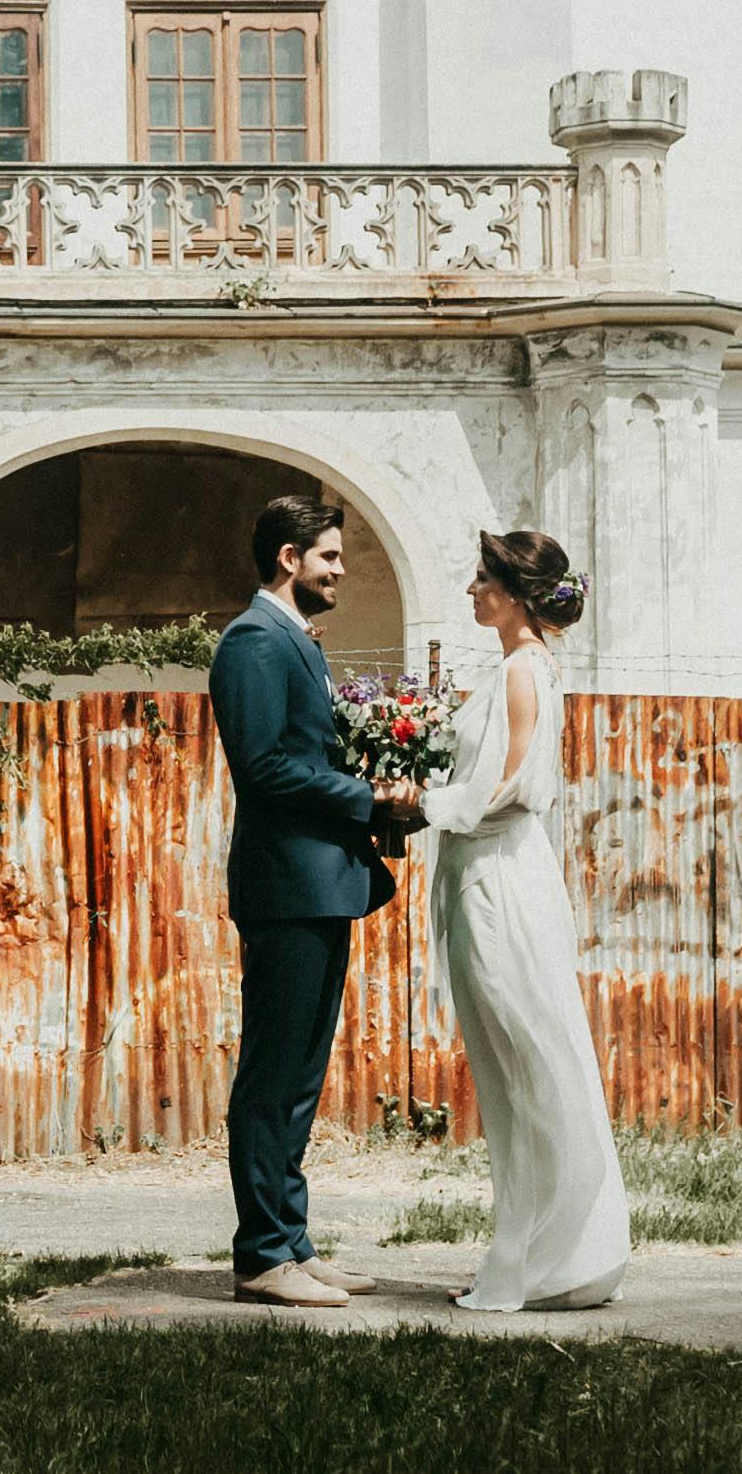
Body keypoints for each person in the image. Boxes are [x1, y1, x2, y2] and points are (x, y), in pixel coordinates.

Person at [379, 529, 630, 1312]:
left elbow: (517, 789)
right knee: (514, 1069)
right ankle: (536, 1253)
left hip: (499, 882)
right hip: (485, 872)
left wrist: (424, 802)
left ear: (517, 594)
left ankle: (547, 1259)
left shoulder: (525, 671)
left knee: (528, 1066)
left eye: (482, 579)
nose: (470, 591)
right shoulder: (522, 669)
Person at [208, 492, 412, 1310]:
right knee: (272, 1075)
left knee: (299, 1076)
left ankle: (293, 1243)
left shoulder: (296, 641)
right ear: (289, 559)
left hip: (318, 885)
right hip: (286, 885)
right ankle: (261, 1255)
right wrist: (368, 798)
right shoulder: (255, 642)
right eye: (328, 556)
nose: (338, 570)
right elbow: (263, 767)